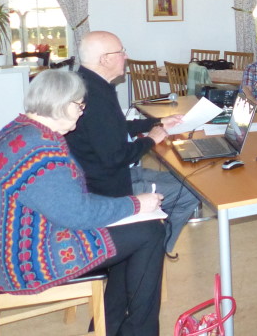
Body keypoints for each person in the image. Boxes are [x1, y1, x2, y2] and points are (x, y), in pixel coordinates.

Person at [0, 70, 166, 335]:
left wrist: (128, 206)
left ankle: (109, 326)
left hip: (23, 241)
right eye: (79, 105)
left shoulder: (21, 131)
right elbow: (78, 214)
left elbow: (68, 200)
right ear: (64, 105)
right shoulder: (41, 150)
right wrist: (136, 205)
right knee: (150, 232)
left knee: (134, 233)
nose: (81, 112)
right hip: (30, 259)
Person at [66, 31, 197, 256]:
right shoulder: (94, 98)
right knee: (191, 192)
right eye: (121, 52)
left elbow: (113, 128)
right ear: (105, 59)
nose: (126, 56)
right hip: (110, 189)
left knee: (187, 179)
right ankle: (154, 251)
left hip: (105, 175)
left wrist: (157, 122)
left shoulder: (88, 84)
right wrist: (151, 139)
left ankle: (150, 245)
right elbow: (117, 156)